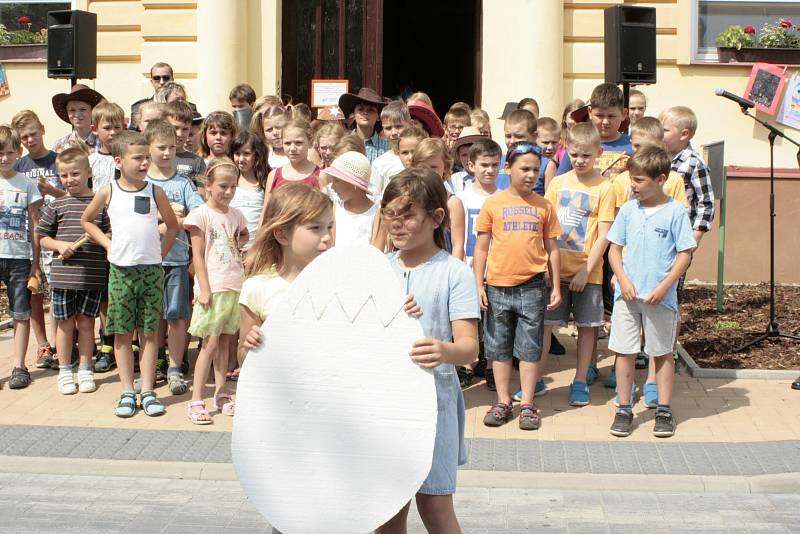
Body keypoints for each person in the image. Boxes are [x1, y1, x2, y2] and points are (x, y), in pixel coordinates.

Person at [376, 167, 480, 534]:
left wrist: (442, 350)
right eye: (390, 214)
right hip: (383, 404)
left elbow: (469, 348)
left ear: (437, 218)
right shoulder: (377, 269)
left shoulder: (454, 273)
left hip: (433, 402)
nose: (397, 224)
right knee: (386, 510)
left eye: (408, 215)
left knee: (435, 504)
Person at [81, 130, 179, 417]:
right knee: (122, 333)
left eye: (146, 157)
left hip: (150, 272)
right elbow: (87, 221)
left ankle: (147, 390)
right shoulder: (108, 190)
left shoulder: (155, 191)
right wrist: (108, 244)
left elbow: (172, 225)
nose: (144, 163)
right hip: (121, 272)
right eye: (138, 158)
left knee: (149, 333)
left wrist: (160, 253)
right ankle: (127, 391)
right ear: (119, 161)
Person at [607, 145, 696, 438]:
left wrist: (664, 286)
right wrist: (622, 279)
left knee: (662, 353)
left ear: (660, 179)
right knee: (625, 351)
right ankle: (623, 408)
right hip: (627, 296)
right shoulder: (629, 210)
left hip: (660, 297)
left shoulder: (675, 212)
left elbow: (685, 254)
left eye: (639, 180)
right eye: (632, 178)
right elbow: (614, 250)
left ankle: (663, 410)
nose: (632, 185)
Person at [524, 123, 614, 407]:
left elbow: (605, 235)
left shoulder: (606, 188)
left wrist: (587, 270)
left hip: (589, 274)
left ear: (598, 153)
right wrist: (546, 268)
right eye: (574, 154)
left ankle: (579, 382)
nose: (580, 160)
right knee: (546, 326)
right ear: (567, 151)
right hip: (555, 271)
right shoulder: (558, 183)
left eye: (586, 155)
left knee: (587, 328)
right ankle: (535, 379)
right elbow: (546, 228)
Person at [474, 142, 561, 430]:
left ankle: (527, 403)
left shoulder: (544, 206)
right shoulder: (493, 204)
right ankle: (502, 401)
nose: (531, 175)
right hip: (497, 286)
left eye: (536, 169)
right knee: (498, 347)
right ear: (507, 169)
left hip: (532, 287)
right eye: (524, 168)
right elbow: (482, 249)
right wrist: (479, 285)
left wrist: (556, 285)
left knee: (529, 347)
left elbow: (552, 247)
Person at [237, 184, 334, 370]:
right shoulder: (257, 288)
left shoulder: (338, 283)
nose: (327, 237)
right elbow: (243, 359)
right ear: (282, 235)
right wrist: (250, 347)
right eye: (315, 227)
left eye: (329, 227)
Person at [36, 147, 110, 394]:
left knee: (88, 324)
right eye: (64, 176)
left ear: (88, 172)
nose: (70, 180)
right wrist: (59, 245)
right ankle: (66, 368)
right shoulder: (57, 205)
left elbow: (111, 233)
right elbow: (42, 237)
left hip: (92, 276)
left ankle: (86, 368)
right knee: (66, 326)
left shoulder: (100, 204)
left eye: (75, 174)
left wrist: (99, 236)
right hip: (63, 278)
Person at [184, 158, 248, 424]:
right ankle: (196, 398)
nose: (228, 192)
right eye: (223, 186)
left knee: (224, 343)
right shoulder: (201, 215)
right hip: (214, 286)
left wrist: (242, 243)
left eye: (233, 186)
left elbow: (242, 237)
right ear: (208, 185)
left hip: (234, 284)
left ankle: (221, 393)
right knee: (209, 344)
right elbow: (197, 255)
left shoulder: (236, 215)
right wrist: (204, 288)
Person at [143, 119, 204, 393]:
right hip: (147, 260)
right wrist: (162, 217)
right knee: (153, 316)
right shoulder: (141, 183)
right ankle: (154, 362)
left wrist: (182, 218)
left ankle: (175, 367)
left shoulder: (182, 183)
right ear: (148, 148)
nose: (167, 153)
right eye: (160, 148)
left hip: (177, 260)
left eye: (171, 147)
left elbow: (200, 213)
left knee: (177, 316)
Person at [12, 110, 63, 369]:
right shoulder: (19, 166)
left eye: (33, 134)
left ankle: (58, 344)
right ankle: (43, 344)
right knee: (33, 291)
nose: (30, 140)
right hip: (28, 238)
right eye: (24, 137)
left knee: (56, 291)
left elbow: (74, 194)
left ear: (42, 128)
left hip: (57, 235)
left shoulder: (58, 160)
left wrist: (52, 190)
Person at [456, 138, 502, 391]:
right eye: (484, 164)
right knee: (469, 321)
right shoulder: (462, 199)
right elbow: (458, 240)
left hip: (497, 270)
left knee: (495, 323)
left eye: (495, 164)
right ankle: (467, 365)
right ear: (471, 165)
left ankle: (493, 367)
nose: (490, 170)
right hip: (468, 269)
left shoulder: (505, 198)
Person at [0, 126, 43, 390]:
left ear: (18, 152)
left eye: (8, 153)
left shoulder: (27, 184)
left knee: (21, 312)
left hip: (19, 258)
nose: (3, 158)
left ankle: (19, 365)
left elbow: (36, 224)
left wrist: (36, 263)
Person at [556, 83, 633, 178]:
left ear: (624, 114)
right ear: (589, 112)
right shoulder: (578, 143)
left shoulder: (633, 146)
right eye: (600, 116)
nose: (605, 122)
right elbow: (559, 181)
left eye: (611, 116)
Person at [411, 138, 464, 262]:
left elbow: (458, 245)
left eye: (433, 167)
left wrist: (453, 274)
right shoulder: (410, 199)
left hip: (443, 267)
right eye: (422, 167)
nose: (427, 172)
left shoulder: (452, 203)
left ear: (445, 167)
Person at [262, 118, 320, 211]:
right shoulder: (273, 175)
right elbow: (266, 212)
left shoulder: (320, 176)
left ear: (310, 142)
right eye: (287, 143)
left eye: (298, 143)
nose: (292, 148)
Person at [324, 151, 379, 247]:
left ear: (354, 184)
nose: (332, 187)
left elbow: (376, 248)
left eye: (337, 181)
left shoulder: (375, 213)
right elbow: (331, 244)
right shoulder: (336, 208)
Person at [231, 130, 270, 250]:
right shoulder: (230, 180)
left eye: (246, 154)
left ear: (257, 155)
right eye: (237, 154)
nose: (241, 159)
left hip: (256, 247)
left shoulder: (265, 182)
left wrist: (256, 247)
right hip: (230, 247)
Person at [338, 88, 390, 162]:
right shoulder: (342, 144)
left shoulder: (388, 147)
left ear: (378, 117)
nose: (365, 112)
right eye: (360, 109)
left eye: (370, 110)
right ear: (354, 114)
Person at [370, 101, 410, 194]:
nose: (394, 132)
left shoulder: (421, 155)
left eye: (398, 126)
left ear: (410, 124)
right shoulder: (380, 163)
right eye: (388, 128)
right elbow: (375, 197)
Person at [166, 101, 207, 190]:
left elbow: (201, 194)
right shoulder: (151, 157)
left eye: (185, 129)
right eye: (175, 128)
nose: (180, 133)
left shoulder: (197, 161)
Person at [52, 84, 104, 153]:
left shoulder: (104, 143)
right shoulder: (60, 145)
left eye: (82, 109)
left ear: (92, 111)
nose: (77, 114)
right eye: (72, 110)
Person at [88, 102, 125, 193]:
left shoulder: (128, 159)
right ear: (95, 129)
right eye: (107, 128)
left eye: (117, 127)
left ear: (124, 128)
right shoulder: (90, 161)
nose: (113, 132)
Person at [448, 126, 486, 195]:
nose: (469, 159)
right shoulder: (453, 180)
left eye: (473, 154)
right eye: (464, 155)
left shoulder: (490, 176)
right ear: (459, 156)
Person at [253, 103, 291, 169]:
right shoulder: (264, 156)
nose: (275, 133)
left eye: (279, 127)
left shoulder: (301, 153)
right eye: (269, 130)